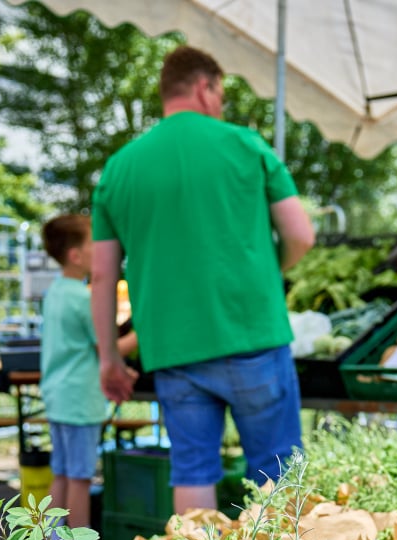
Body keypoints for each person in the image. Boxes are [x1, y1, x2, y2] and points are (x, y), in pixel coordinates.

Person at [90, 45, 315, 515]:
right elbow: (301, 234)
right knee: (276, 472)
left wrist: (110, 357)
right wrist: (267, 271)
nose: (221, 105)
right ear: (204, 86)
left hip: (174, 348)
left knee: (192, 472)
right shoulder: (245, 145)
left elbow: (102, 273)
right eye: (221, 94)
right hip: (252, 331)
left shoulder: (119, 169)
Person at [40, 214, 119, 540]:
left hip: (59, 396)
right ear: (76, 255)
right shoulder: (81, 298)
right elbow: (108, 346)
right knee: (81, 475)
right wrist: (145, 331)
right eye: (92, 244)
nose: (99, 251)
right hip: (79, 398)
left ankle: (48, 537)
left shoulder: (56, 292)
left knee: (62, 471)